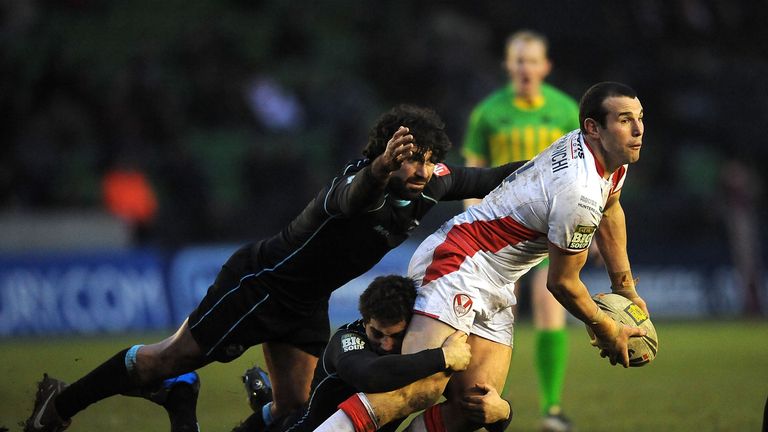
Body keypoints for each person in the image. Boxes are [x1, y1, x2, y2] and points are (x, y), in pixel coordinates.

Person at [24, 104, 525, 432]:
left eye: (428, 159)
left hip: (306, 302)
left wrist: (568, 162)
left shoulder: (429, 182)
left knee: (294, 410)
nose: (420, 170)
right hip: (260, 285)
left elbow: (490, 176)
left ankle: (185, 400)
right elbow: (356, 196)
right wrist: (377, 170)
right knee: (165, 360)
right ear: (384, 156)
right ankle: (60, 407)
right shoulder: (353, 183)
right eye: (409, 160)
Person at [314, 81, 650, 432]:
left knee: (475, 406)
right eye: (626, 120)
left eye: (640, 118)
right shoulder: (578, 192)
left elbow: (611, 207)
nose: (639, 130)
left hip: (499, 280)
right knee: (420, 387)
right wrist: (607, 328)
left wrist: (624, 288)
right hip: (460, 260)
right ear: (593, 129)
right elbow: (563, 283)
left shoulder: (609, 158)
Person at [462, 29, 580, 431]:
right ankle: (485, 397)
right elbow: (471, 175)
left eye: (532, 60)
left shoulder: (566, 111)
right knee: (494, 318)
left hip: (551, 228)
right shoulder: (488, 113)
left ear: (545, 66)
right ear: (508, 65)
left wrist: (590, 227)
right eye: (519, 60)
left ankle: (551, 408)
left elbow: (583, 176)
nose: (525, 67)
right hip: (500, 234)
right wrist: (474, 225)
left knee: (552, 309)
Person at [232, 274, 500, 432]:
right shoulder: (347, 340)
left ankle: (266, 401)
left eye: (395, 336)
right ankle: (266, 406)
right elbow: (370, 375)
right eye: (377, 333)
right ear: (364, 321)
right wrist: (442, 358)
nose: (385, 344)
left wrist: (502, 412)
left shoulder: (417, 350)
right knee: (284, 416)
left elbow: (471, 410)